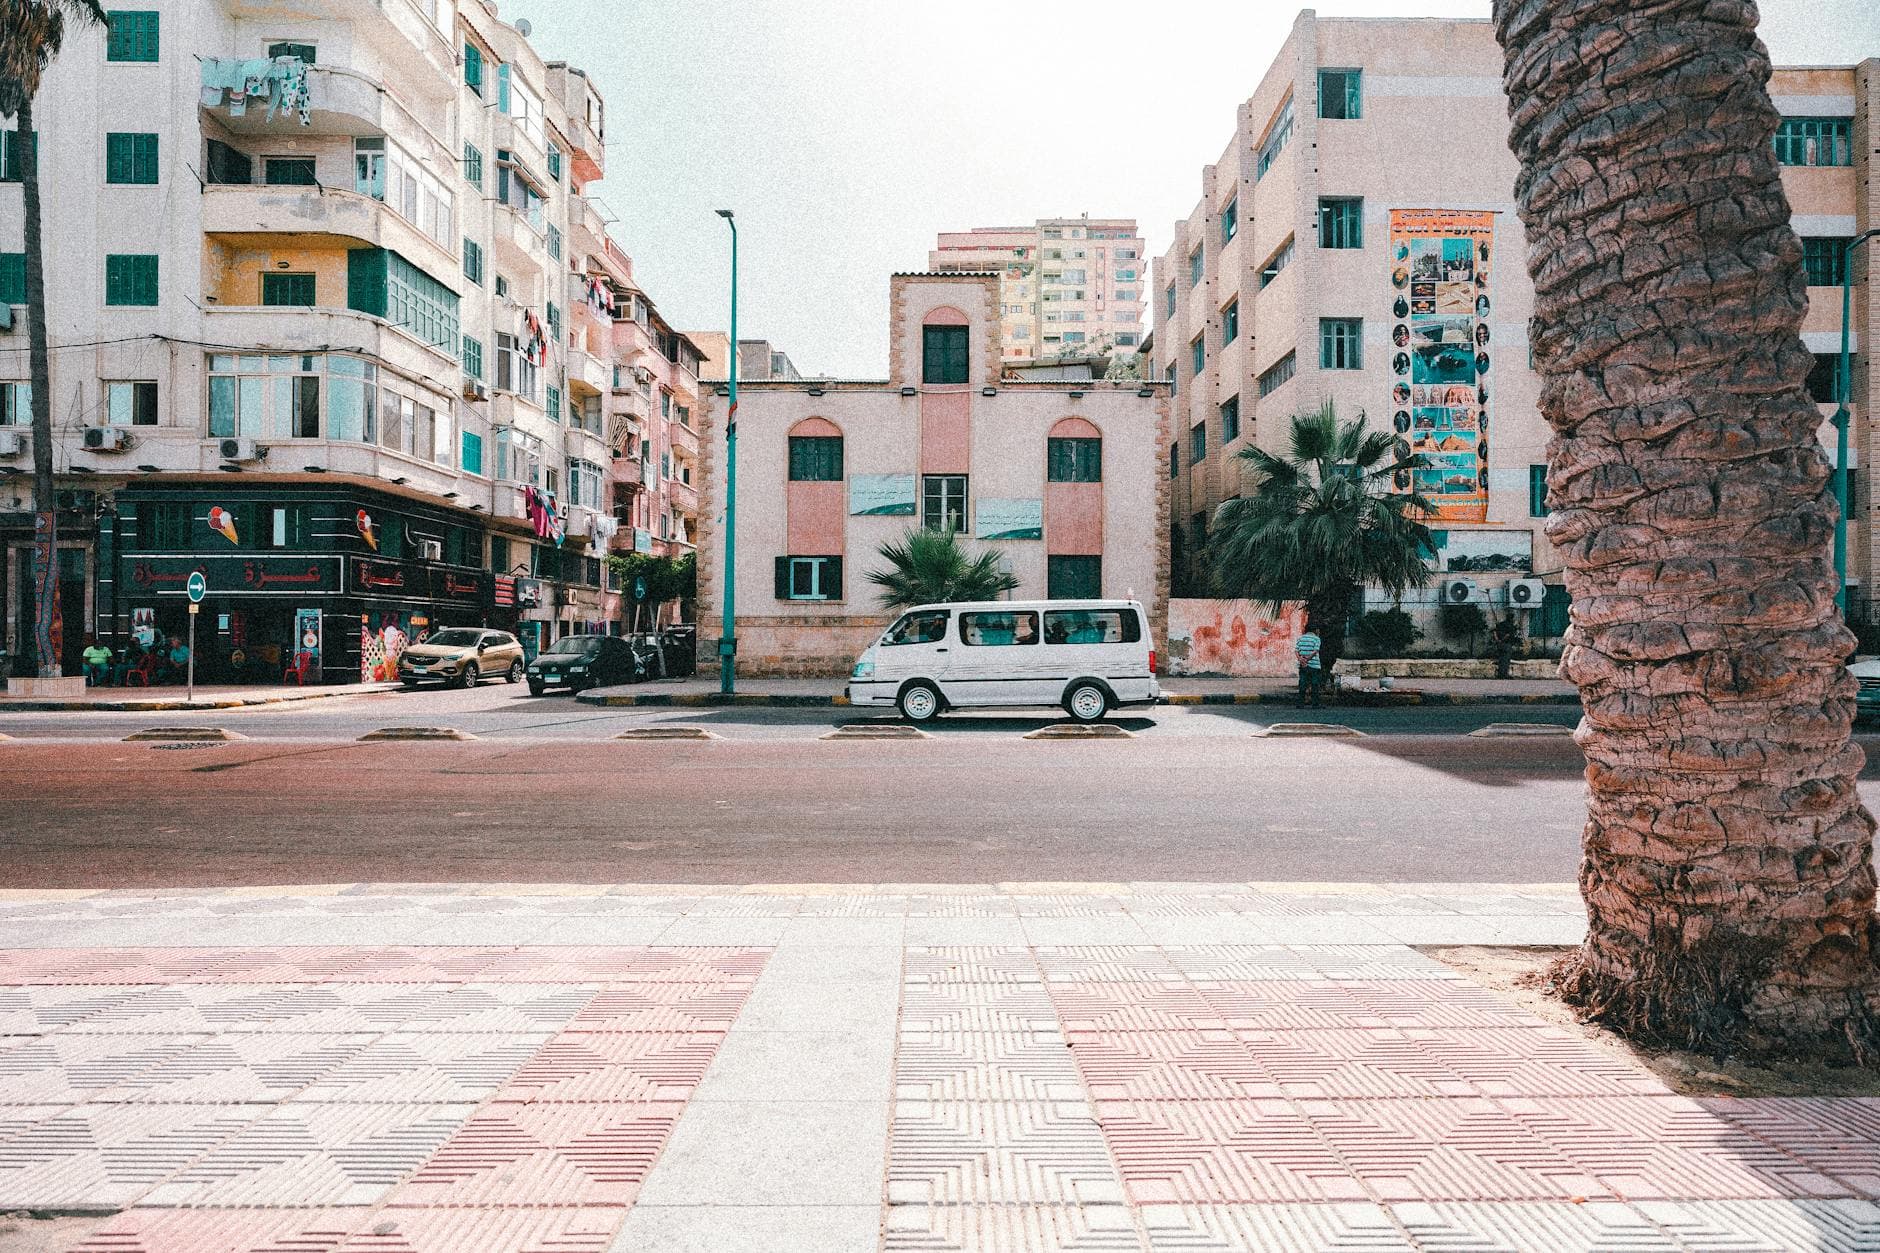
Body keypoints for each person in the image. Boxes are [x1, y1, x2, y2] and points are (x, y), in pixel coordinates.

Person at [1295, 626, 1325, 708]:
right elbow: (1315, 651)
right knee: (1314, 684)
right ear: (1315, 630)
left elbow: (1296, 650)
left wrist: (1301, 660)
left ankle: (1301, 703)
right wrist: (1308, 659)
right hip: (1314, 666)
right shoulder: (1316, 639)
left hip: (1303, 665)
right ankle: (1315, 704)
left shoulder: (1300, 638)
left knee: (1302, 684)